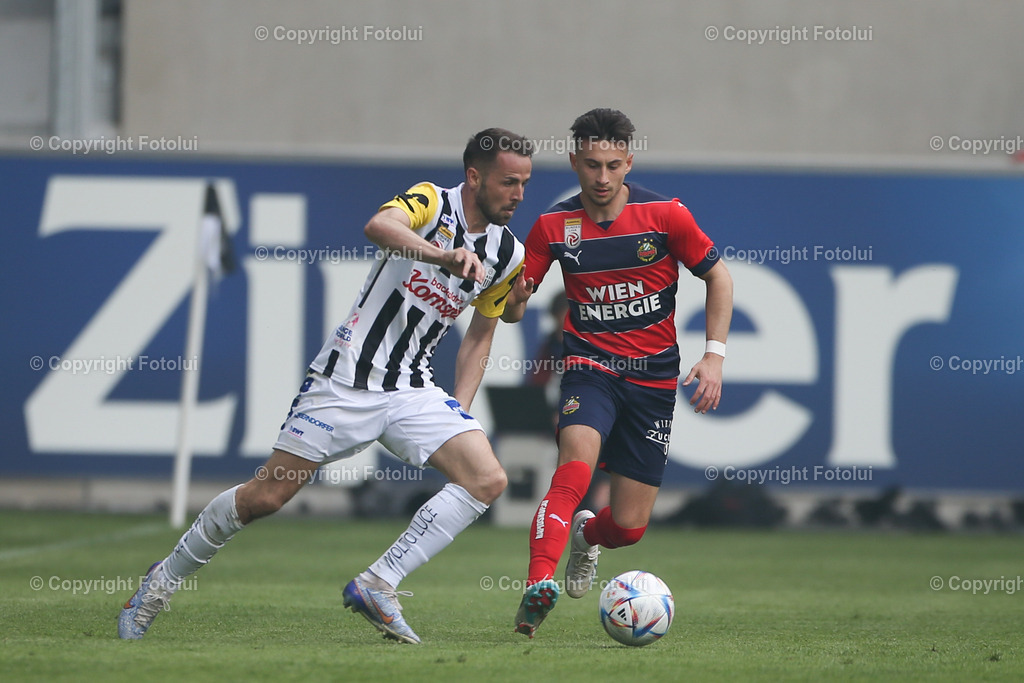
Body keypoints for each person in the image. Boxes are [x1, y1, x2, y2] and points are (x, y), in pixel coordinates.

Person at [119, 128, 535, 645]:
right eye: (508, 183)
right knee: (266, 497)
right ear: (474, 177)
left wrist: (459, 412)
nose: (518, 194)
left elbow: (483, 334)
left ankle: (379, 583)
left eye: (524, 183)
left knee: (487, 479)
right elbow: (379, 225)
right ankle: (161, 582)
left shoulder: (507, 252)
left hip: (411, 389)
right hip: (344, 380)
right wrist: (439, 255)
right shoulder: (432, 202)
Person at [512, 109, 733, 637]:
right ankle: (536, 585)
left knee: (629, 529)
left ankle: (588, 538)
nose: (602, 177)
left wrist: (715, 355)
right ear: (573, 162)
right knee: (574, 470)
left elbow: (718, 277)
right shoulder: (552, 228)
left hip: (654, 380)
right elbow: (516, 305)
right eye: (591, 165)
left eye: (613, 165)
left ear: (629, 160)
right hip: (590, 369)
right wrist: (513, 296)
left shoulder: (666, 216)